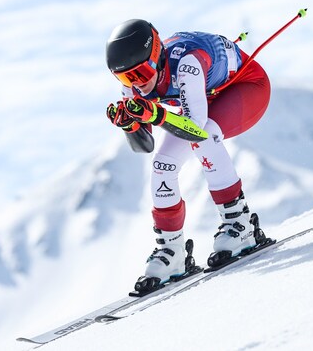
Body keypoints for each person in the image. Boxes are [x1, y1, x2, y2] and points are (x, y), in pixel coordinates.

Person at [105, 19, 272, 292]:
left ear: (156, 56)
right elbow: (144, 146)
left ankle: (239, 224)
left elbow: (195, 130)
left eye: (142, 72)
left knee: (205, 138)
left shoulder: (188, 64)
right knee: (162, 164)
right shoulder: (133, 84)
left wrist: (156, 114)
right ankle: (172, 252)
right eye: (126, 78)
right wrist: (130, 124)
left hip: (245, 88)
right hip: (202, 101)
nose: (138, 83)